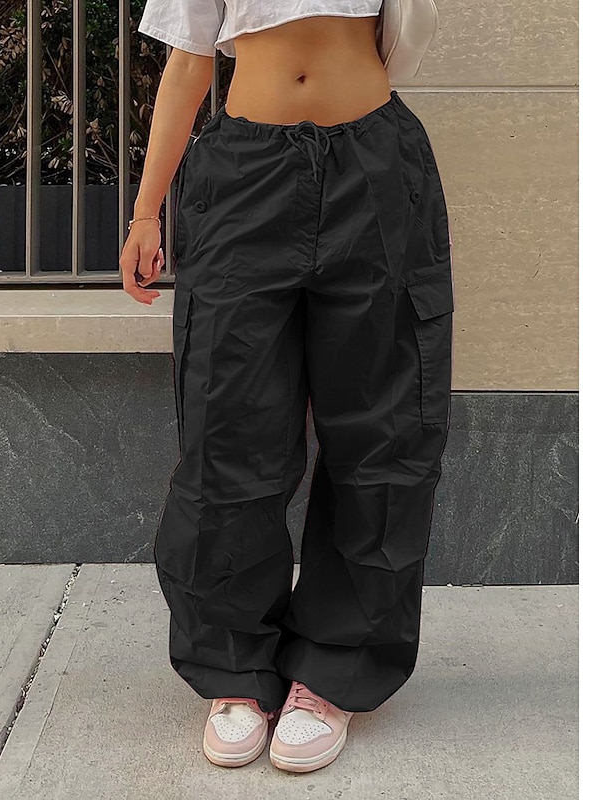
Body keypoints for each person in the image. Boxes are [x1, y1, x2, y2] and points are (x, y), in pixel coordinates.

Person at [119, 0, 454, 774]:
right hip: (244, 171)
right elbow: (188, 60)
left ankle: (334, 670)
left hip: (374, 165)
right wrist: (145, 212)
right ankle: (234, 666)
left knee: (381, 429)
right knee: (228, 425)